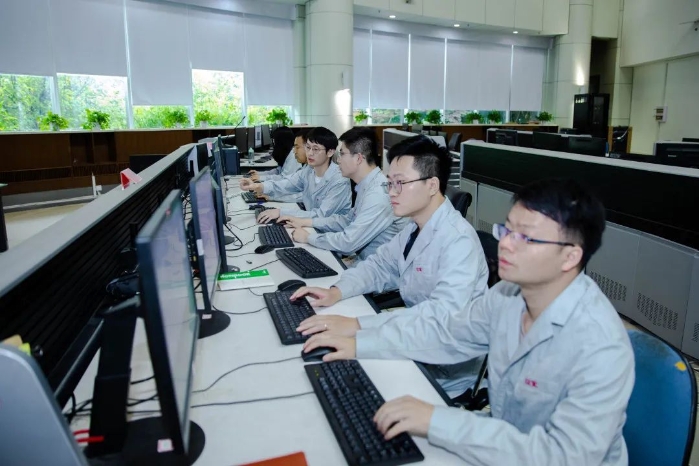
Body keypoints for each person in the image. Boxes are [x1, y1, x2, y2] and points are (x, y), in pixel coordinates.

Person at [303, 178, 635, 466]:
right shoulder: (508, 295)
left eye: (526, 238)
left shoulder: (599, 344)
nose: (506, 244)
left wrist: (438, 421)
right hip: (503, 445)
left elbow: (562, 457)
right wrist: (360, 341)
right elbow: (447, 332)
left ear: (571, 256)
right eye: (508, 230)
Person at [292, 134, 489, 395]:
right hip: (411, 339)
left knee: (341, 385)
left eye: (400, 183)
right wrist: (336, 291)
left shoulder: (458, 241)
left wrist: (357, 326)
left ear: (432, 185)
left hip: (443, 367)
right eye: (390, 183)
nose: (392, 193)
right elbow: (379, 266)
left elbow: (438, 320)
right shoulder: (414, 227)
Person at [279, 127, 408, 261]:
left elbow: (348, 242)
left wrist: (308, 237)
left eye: (342, 154)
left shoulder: (377, 194)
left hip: (376, 268)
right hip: (364, 261)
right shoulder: (368, 185)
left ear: (358, 158)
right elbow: (347, 220)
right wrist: (307, 221)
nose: (338, 160)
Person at [239, 127, 351, 222]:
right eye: (308, 147)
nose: (310, 153)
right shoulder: (308, 170)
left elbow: (321, 215)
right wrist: (259, 186)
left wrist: (281, 212)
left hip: (331, 234)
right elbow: (287, 184)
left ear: (330, 152)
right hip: (311, 226)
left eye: (316, 149)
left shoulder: (339, 180)